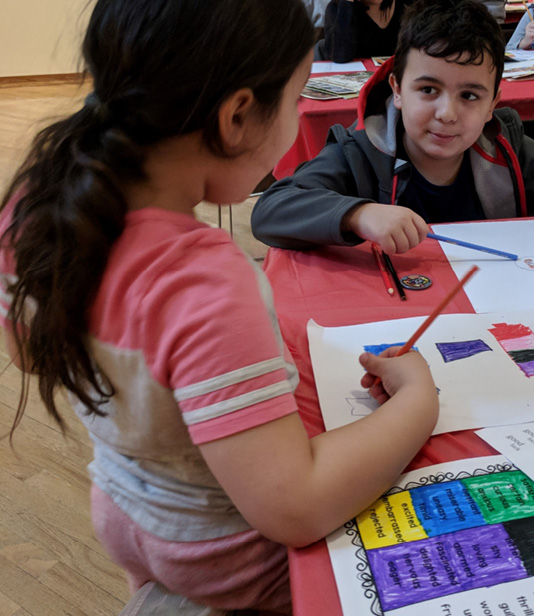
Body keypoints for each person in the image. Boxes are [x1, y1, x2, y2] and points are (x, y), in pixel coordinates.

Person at [0, 0, 438, 614]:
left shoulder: (31, 199)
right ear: (236, 117)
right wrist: (420, 400)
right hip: (223, 557)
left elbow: (28, 350)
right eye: (293, 103)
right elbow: (296, 505)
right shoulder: (205, 278)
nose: (295, 121)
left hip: (126, 506)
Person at [251, 0, 534, 255]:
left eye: (469, 96)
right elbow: (271, 210)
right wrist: (358, 214)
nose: (447, 114)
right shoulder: (360, 153)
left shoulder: (511, 148)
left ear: (492, 104)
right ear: (397, 89)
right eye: (428, 89)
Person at [316, 0, 413, 62]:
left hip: (401, 79)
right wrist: (347, 5)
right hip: (356, 83)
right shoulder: (337, 8)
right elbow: (340, 56)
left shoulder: (408, 5)